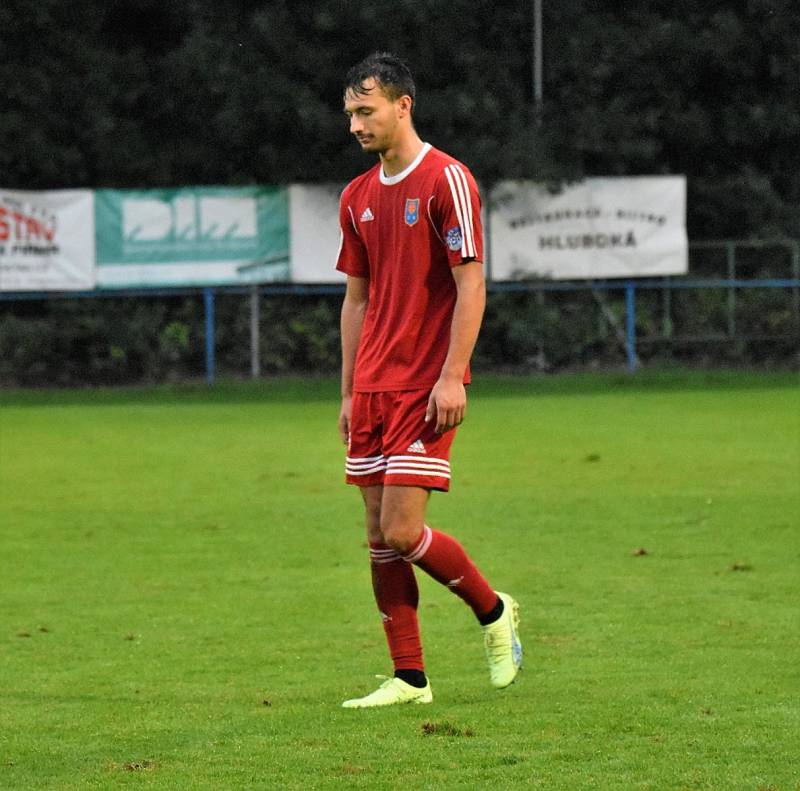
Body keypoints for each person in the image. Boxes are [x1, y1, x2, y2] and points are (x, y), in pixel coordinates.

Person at [336, 52, 521, 708]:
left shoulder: (448, 181)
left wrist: (453, 376)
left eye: (368, 110)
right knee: (376, 536)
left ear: (402, 105)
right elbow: (356, 300)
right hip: (374, 386)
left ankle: (494, 610)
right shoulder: (356, 196)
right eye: (351, 112)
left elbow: (471, 282)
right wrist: (349, 392)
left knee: (402, 530)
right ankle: (410, 677)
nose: (356, 123)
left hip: (424, 383)